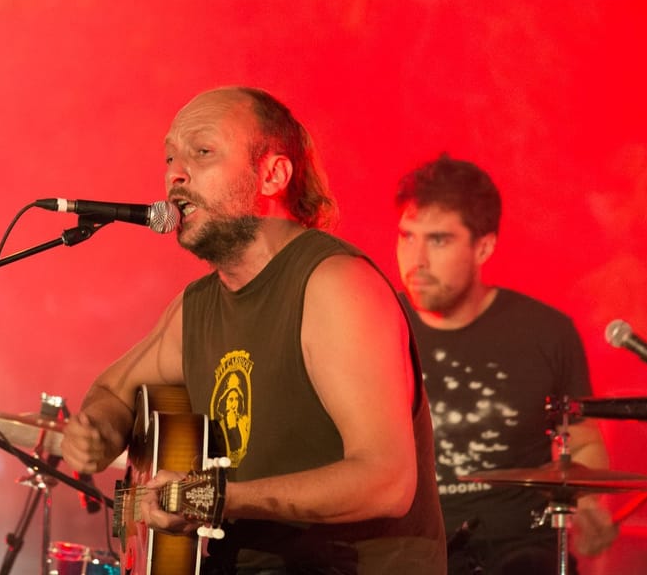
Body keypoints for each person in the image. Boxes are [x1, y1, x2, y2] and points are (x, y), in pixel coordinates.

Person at [62, 86, 446, 574]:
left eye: (202, 152)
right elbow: (114, 393)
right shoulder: (195, 309)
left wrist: (214, 498)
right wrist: (99, 428)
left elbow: (387, 482)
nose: (176, 174)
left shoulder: (333, 285)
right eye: (170, 158)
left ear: (272, 175)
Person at [393, 154, 618, 574]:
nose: (416, 259)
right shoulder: (374, 325)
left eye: (438, 240)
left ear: (484, 246)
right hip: (411, 550)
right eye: (407, 237)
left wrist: (588, 505)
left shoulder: (547, 332)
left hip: (520, 552)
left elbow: (582, 440)